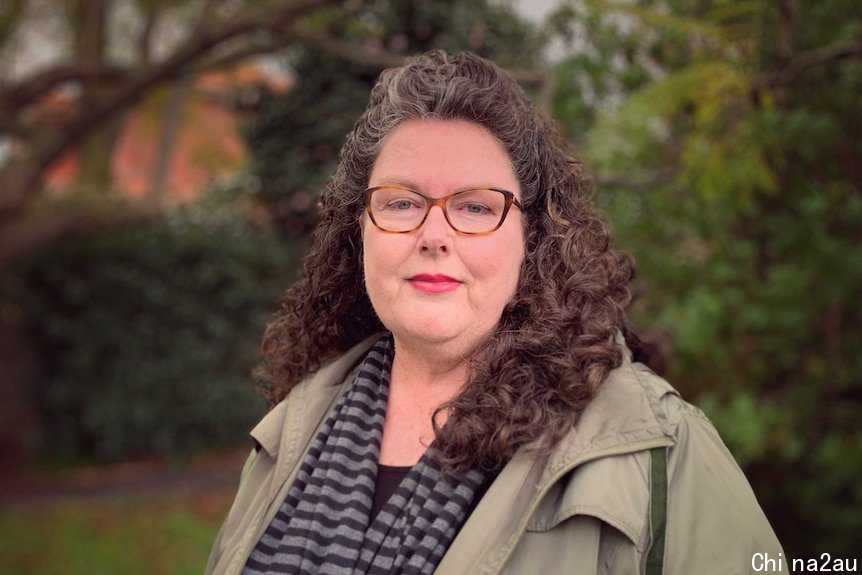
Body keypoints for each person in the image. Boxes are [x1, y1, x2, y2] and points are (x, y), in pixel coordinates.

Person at [206, 50, 785, 575]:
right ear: (360, 230)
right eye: (403, 202)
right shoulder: (292, 431)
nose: (434, 234)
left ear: (533, 237)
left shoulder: (655, 449)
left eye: (476, 206)